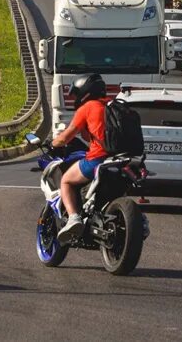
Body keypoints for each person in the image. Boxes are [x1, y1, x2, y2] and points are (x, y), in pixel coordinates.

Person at [51, 73, 110, 243]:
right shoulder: (112, 106)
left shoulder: (87, 108)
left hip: (98, 158)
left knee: (66, 181)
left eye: (77, 93)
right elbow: (93, 134)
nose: (76, 98)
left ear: (84, 91)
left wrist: (54, 143)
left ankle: (74, 218)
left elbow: (65, 138)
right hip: (121, 158)